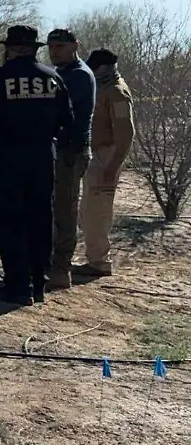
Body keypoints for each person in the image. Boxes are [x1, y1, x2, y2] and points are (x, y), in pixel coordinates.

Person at [0, 25, 73, 305]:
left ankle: (17, 285)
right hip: (43, 155)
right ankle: (38, 283)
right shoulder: (53, 78)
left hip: (9, 156)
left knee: (9, 218)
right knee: (40, 218)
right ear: (34, 49)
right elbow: (68, 120)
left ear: (10, 48)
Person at [73, 48, 134, 279]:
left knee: (97, 213)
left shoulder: (117, 92)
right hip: (97, 155)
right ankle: (95, 259)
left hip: (106, 156)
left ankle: (99, 262)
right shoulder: (104, 88)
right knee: (89, 211)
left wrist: (112, 166)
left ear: (104, 68)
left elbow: (126, 133)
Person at [45, 29, 97, 289]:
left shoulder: (78, 75)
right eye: (51, 46)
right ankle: (48, 264)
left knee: (65, 210)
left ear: (74, 46)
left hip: (70, 151)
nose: (54, 51)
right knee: (52, 208)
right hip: (57, 149)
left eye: (60, 46)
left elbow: (59, 113)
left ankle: (61, 268)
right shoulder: (61, 73)